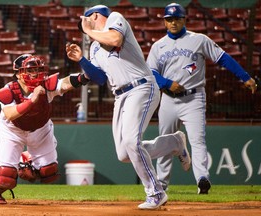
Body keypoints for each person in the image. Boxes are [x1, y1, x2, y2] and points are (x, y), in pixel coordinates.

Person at [66, 5, 191, 210]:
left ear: (95, 15)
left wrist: (89, 30)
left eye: (86, 19)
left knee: (133, 142)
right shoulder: (95, 47)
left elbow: (115, 40)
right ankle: (174, 143)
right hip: (120, 96)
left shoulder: (115, 18)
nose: (83, 23)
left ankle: (156, 193)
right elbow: (98, 78)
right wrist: (81, 59)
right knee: (125, 154)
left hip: (141, 87)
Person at [146, 3, 257, 194]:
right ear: (164, 21)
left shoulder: (198, 40)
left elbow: (223, 58)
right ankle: (161, 183)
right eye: (169, 19)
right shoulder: (158, 46)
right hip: (168, 99)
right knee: (164, 141)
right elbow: (150, 72)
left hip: (193, 97)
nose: (173, 22)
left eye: (177, 18)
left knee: (198, 140)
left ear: (184, 19)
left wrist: (244, 76)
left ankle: (202, 180)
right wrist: (166, 83)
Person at [0, 54, 90, 204]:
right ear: (18, 74)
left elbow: (65, 83)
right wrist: (32, 100)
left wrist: (83, 77)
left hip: (40, 130)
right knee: (6, 176)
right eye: (30, 70)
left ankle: (26, 159)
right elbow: (10, 114)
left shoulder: (46, 85)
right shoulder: (9, 90)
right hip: (12, 132)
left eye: (37, 69)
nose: (34, 73)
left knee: (49, 172)